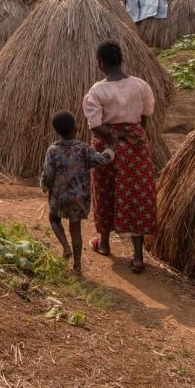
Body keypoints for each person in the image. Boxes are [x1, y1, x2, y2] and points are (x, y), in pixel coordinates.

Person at [83, 41, 158, 273]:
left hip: (109, 147)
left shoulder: (97, 91)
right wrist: (130, 132)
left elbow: (95, 125)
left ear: (101, 63)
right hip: (136, 144)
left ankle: (104, 243)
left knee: (105, 190)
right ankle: (137, 256)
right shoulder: (140, 85)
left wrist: (117, 135)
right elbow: (147, 114)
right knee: (137, 194)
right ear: (121, 60)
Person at [41, 110, 115, 275]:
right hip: (79, 198)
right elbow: (102, 160)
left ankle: (65, 247)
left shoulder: (52, 150)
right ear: (76, 128)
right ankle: (77, 265)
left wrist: (45, 186)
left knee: (54, 219)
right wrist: (111, 150)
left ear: (57, 131)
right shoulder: (83, 149)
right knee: (76, 229)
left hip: (59, 197)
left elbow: (47, 173)